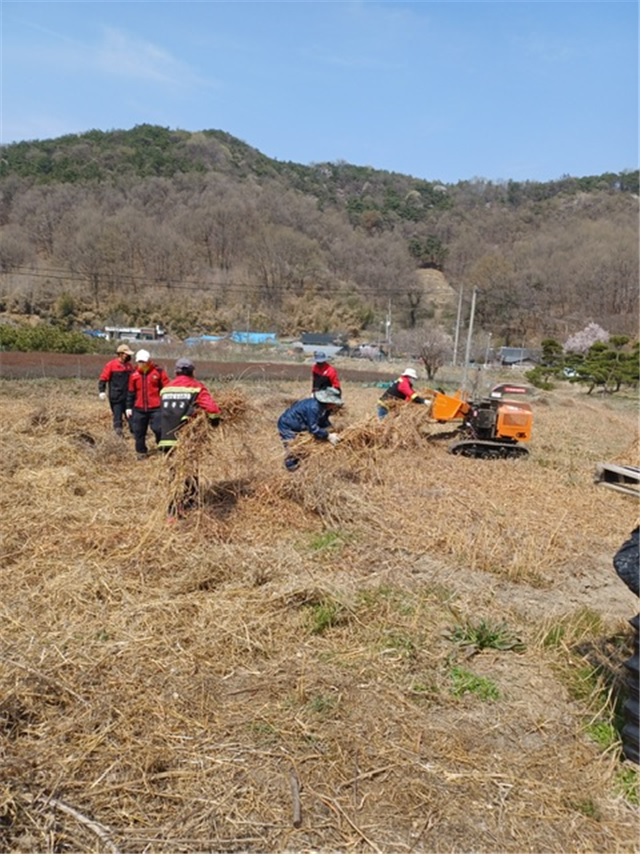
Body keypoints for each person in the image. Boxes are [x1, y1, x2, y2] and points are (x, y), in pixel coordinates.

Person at [159, 357, 222, 520]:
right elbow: (212, 409)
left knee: (173, 474)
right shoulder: (196, 387)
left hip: (166, 438)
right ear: (192, 371)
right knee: (190, 473)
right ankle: (189, 504)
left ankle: (172, 510)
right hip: (186, 439)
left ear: (176, 372)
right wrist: (214, 421)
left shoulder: (166, 389)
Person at [277, 387, 343, 471]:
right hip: (288, 425)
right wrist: (328, 436)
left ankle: (300, 468)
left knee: (303, 450)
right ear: (329, 402)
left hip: (300, 425)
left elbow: (323, 421)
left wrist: (331, 429)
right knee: (294, 449)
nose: (335, 406)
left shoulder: (324, 408)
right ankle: (291, 471)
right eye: (334, 403)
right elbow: (313, 429)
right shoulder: (314, 408)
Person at [125, 349, 170, 459]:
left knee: (158, 428)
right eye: (139, 361)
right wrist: (128, 407)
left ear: (149, 361)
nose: (141, 364)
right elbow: (131, 391)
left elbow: (167, 388)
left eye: (143, 361)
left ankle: (162, 448)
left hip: (156, 407)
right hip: (139, 408)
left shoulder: (158, 372)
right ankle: (141, 452)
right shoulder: (134, 374)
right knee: (139, 431)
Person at [98, 343, 134, 435]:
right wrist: (102, 391)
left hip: (128, 397)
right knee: (117, 417)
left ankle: (135, 434)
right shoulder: (111, 365)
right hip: (116, 396)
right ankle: (118, 435)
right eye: (126, 354)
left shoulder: (129, 366)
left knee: (131, 418)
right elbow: (103, 378)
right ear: (121, 354)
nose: (128, 356)